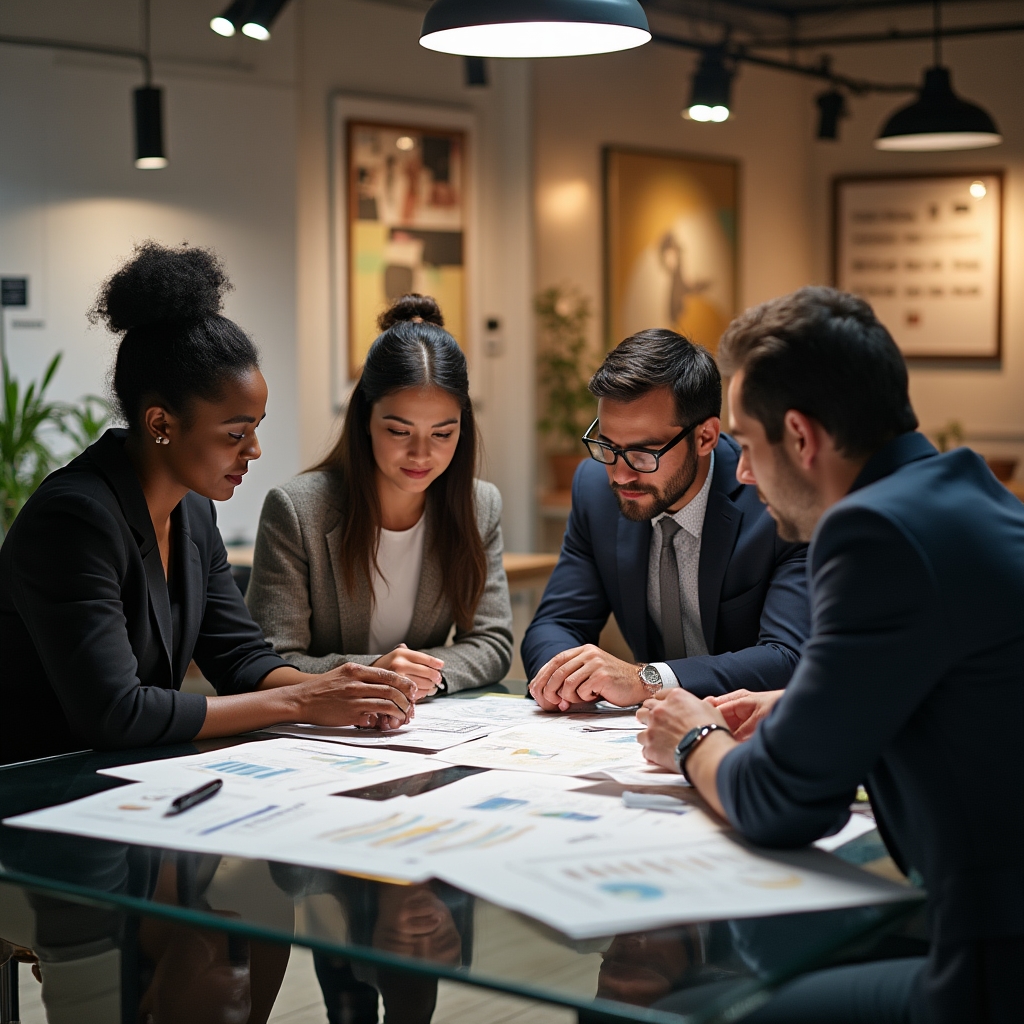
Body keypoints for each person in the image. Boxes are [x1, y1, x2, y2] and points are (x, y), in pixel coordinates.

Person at [637, 287, 1024, 1024]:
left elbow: (781, 804)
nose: (743, 475)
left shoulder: (873, 533)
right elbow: (961, 687)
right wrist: (805, 699)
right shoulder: (966, 489)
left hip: (991, 970)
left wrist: (692, 737)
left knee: (679, 1009)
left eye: (748, 446)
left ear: (802, 438)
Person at [0, 242, 416, 766]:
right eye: (235, 433)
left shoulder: (193, 511)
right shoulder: (73, 521)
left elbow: (239, 658)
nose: (254, 450)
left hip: (128, 785)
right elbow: (116, 713)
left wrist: (344, 688)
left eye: (256, 428)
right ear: (160, 424)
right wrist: (302, 698)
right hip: (34, 793)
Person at [523, 329, 810, 711]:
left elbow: (787, 657)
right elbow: (555, 624)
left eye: (644, 454)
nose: (621, 475)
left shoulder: (776, 500)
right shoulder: (596, 489)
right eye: (608, 446)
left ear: (705, 437)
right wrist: (567, 677)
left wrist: (646, 680)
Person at [246, 294, 513, 696]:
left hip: (423, 725)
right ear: (366, 420)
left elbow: (492, 643)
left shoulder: (479, 505)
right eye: (399, 431)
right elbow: (271, 658)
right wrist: (378, 672)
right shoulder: (298, 510)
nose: (421, 454)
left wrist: (424, 677)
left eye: (443, 434)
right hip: (323, 730)